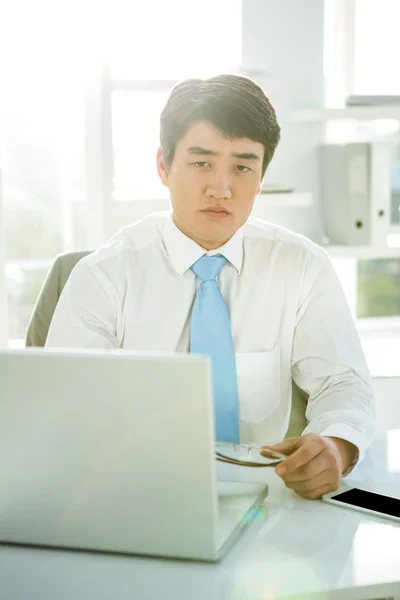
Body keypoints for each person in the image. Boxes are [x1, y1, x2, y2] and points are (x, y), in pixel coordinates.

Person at [46, 74, 375, 499]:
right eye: (202, 162)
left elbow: (343, 383)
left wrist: (338, 444)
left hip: (266, 499)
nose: (221, 188)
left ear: (261, 178)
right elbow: (68, 411)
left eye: (242, 166)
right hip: (132, 494)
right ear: (164, 166)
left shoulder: (301, 266)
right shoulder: (104, 274)